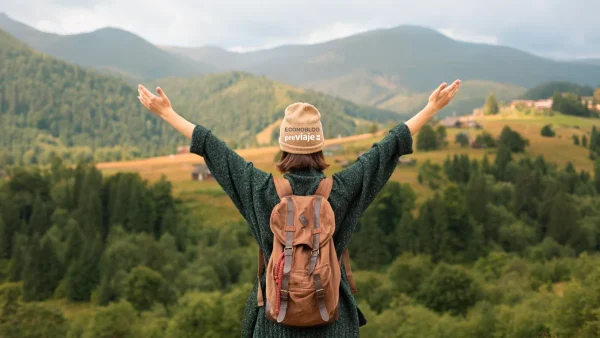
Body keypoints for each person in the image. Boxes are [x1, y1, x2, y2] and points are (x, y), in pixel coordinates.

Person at [137, 79, 461, 337]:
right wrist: (431, 108)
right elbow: (387, 148)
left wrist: (167, 112)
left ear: (283, 146)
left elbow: (213, 149)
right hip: (334, 322)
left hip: (274, 323)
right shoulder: (344, 188)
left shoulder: (260, 189)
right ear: (319, 145)